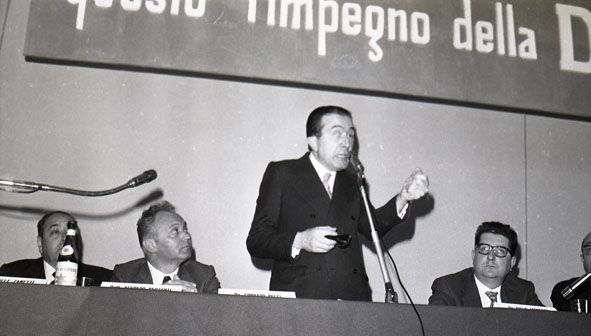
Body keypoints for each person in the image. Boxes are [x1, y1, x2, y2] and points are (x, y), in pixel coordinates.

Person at [246, 105, 428, 301]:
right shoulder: (283, 173)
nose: (347, 143)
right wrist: (300, 240)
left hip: (351, 299)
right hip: (301, 299)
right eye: (337, 134)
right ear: (313, 141)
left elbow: (372, 227)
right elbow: (257, 240)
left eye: (350, 135)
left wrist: (403, 197)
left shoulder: (352, 182)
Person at [112, 201, 220, 293]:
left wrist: (195, 302)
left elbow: (218, 311)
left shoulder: (204, 276)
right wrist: (157, 299)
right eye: (175, 231)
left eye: (185, 229)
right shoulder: (124, 276)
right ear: (151, 245)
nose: (187, 236)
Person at [429, 221, 543, 307]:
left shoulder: (523, 292)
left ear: (512, 262)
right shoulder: (448, 288)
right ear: (474, 255)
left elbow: (547, 325)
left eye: (500, 251)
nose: (491, 257)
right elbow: (434, 327)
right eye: (484, 249)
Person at [0, 211, 112, 285]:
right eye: (55, 232)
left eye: (71, 232)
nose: (65, 238)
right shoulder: (12, 273)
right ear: (40, 243)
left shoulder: (104, 279)